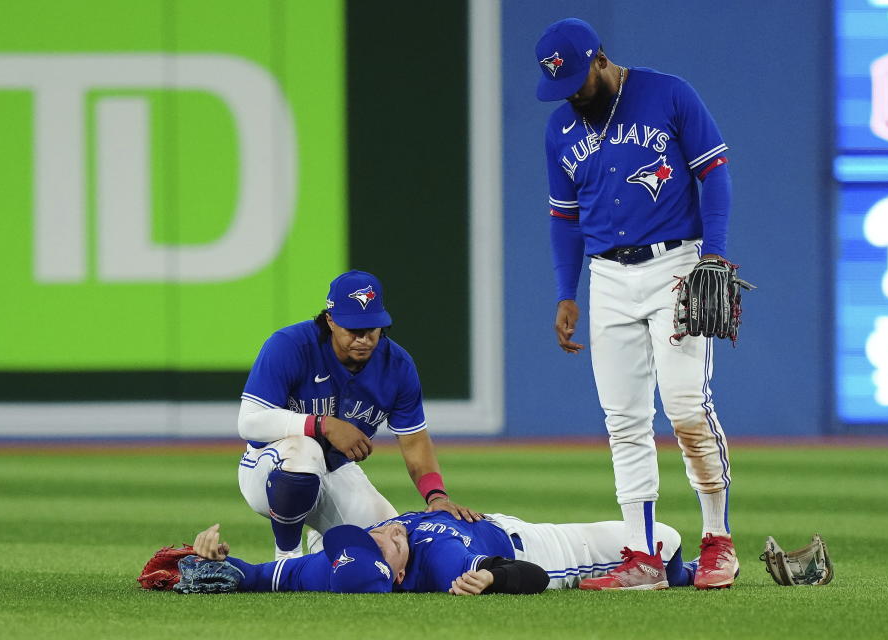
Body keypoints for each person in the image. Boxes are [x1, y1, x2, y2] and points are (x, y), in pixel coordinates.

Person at [534, 18, 739, 590]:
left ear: (600, 59)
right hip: (607, 276)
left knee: (685, 409)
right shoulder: (560, 128)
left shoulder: (668, 93)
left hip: (676, 265)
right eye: (561, 85)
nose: (572, 93)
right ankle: (642, 557)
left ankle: (718, 539)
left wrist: (714, 256)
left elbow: (715, 175)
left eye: (577, 78)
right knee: (624, 421)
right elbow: (563, 217)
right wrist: (565, 292)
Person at [237, 269, 481, 561]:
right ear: (330, 320)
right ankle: (286, 556)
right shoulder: (290, 345)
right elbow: (249, 422)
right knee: (304, 449)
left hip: (336, 471)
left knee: (393, 549)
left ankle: (323, 543)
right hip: (270, 471)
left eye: (371, 329)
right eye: (353, 329)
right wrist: (322, 424)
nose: (363, 339)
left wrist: (436, 495)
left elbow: (414, 442)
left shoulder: (398, 366)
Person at [183, 509, 696, 595]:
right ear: (398, 574)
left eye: (366, 536)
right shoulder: (444, 564)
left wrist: (213, 557)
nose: (378, 532)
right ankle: (688, 574)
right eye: (380, 545)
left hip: (498, 521)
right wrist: (493, 580)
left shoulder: (337, 566)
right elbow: (535, 576)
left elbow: (255, 575)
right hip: (546, 547)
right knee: (661, 537)